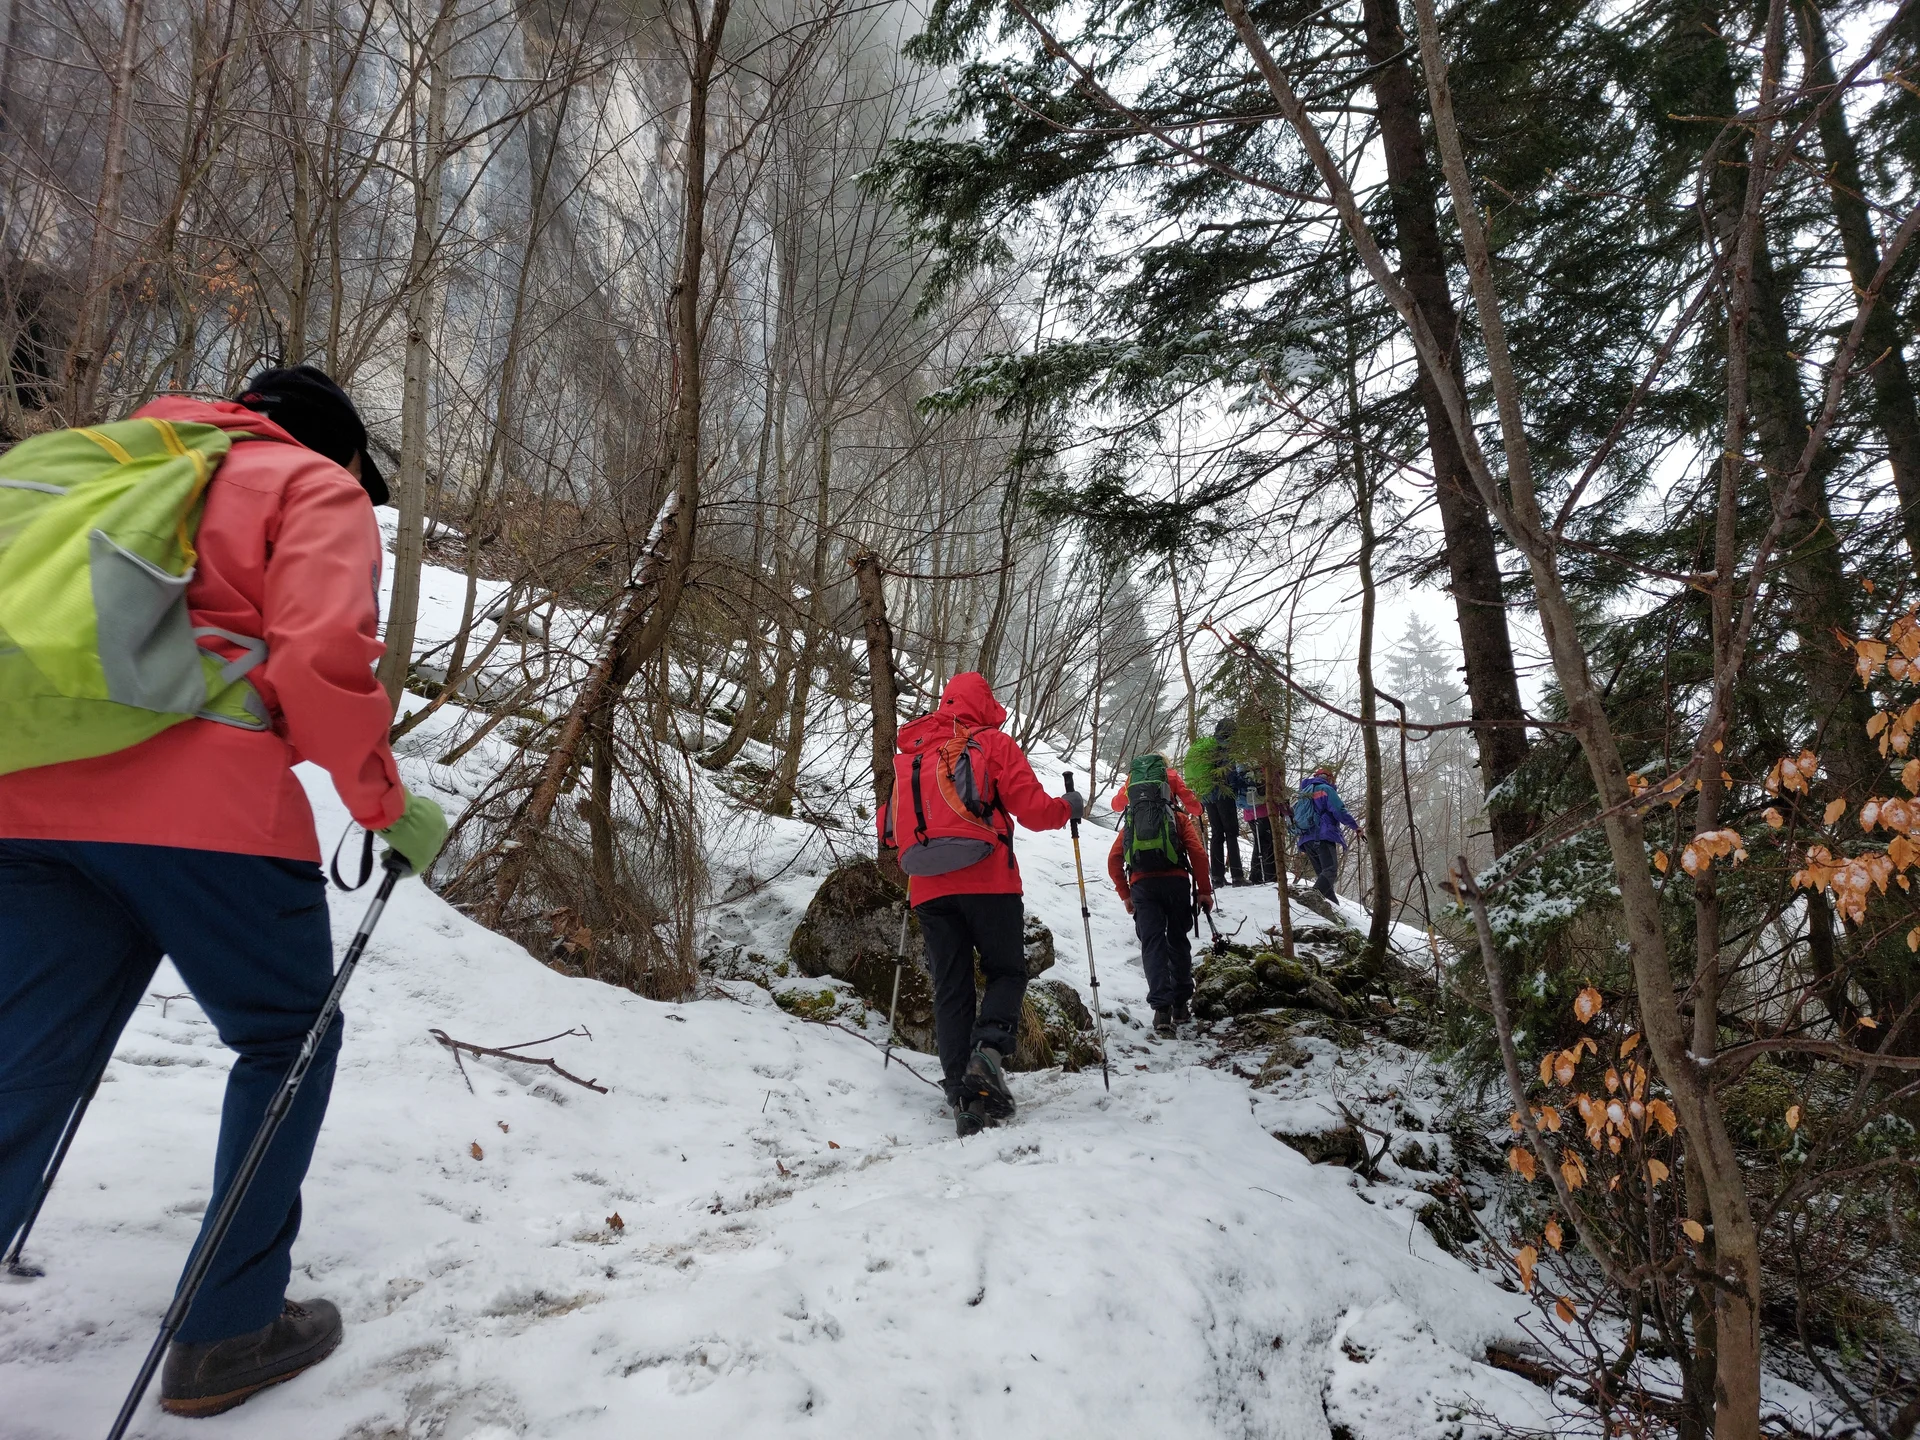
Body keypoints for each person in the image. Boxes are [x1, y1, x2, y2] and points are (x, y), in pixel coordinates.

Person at [0, 367, 448, 1418]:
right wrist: (383, 803)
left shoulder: (109, 465)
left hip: (24, 800)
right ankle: (228, 1329)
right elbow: (322, 657)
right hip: (209, 822)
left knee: (26, 1053)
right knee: (285, 1038)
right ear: (334, 450)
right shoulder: (308, 487)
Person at [879, 672, 1077, 1136]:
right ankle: (987, 1055)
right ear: (984, 702)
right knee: (1007, 971)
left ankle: (961, 1096)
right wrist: (1069, 806)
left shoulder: (914, 754)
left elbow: (888, 832)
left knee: (952, 987)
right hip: (989, 880)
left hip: (928, 888)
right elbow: (1033, 811)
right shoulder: (993, 743)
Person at [1106, 756, 1211, 1037]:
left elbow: (1114, 859)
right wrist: (1203, 890)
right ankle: (1180, 1004)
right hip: (1176, 881)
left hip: (1142, 884)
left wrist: (1125, 895)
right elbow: (1198, 854)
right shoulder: (1178, 817)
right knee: (1177, 940)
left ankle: (1161, 1010)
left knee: (1152, 943)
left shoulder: (1132, 818)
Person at [1183, 718, 1243, 888]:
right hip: (1222, 792)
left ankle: (1216, 877)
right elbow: (1229, 773)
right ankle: (1238, 876)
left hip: (1207, 795)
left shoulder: (1207, 745)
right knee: (1231, 833)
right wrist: (1237, 787)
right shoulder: (1224, 746)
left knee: (1217, 833)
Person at [1293, 765, 1359, 902]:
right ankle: (1309, 899)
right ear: (1329, 778)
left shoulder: (1302, 793)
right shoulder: (1326, 789)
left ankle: (1333, 906)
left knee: (1324, 877)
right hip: (1322, 836)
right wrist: (1355, 826)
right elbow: (1339, 810)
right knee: (1330, 870)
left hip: (1306, 839)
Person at [1232, 761, 1277, 884]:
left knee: (1260, 843)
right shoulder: (1263, 771)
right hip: (1264, 811)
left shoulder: (1244, 771)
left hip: (1249, 812)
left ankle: (1260, 876)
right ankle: (1265, 876)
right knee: (1265, 844)